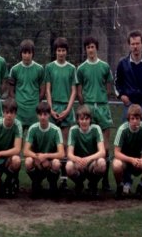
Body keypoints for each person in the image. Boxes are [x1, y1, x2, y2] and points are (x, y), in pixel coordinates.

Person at [114, 29, 142, 194]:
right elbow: (117, 83)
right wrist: (121, 95)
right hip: (129, 107)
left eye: (138, 43)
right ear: (129, 45)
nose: (135, 47)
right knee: (126, 145)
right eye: (132, 44)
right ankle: (127, 182)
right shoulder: (122, 63)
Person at [76, 36, 114, 191]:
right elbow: (79, 92)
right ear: (85, 49)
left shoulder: (105, 66)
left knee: (105, 146)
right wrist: (86, 105)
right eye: (88, 47)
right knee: (90, 144)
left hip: (103, 108)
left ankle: (105, 180)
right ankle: (88, 177)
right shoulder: (81, 68)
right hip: (89, 108)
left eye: (92, 47)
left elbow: (109, 87)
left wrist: (102, 98)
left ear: (96, 48)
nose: (90, 50)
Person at [112, 104, 142, 200]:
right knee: (116, 165)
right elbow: (116, 153)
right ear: (128, 118)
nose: (135, 121)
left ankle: (141, 187)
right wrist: (131, 160)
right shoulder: (122, 129)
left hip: (138, 158)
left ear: (141, 118)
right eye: (132, 118)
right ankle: (120, 187)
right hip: (125, 160)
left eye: (137, 118)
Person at [23, 102, 65, 198]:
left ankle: (53, 184)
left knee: (56, 163)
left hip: (50, 161)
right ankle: (36, 183)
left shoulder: (56, 130)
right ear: (37, 115)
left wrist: (46, 156)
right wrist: (38, 157)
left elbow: (62, 153)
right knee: (28, 161)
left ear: (49, 115)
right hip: (37, 160)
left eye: (45, 114)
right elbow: (25, 151)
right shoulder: (33, 128)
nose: (42, 117)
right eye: (40, 114)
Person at [0, 99, 24, 198]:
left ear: (15, 114)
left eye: (11, 113)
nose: (9, 115)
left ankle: (10, 180)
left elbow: (17, 149)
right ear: (3, 113)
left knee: (16, 160)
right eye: (7, 112)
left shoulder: (18, 125)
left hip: (8, 159)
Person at [65, 105, 106, 197]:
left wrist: (87, 159)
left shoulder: (96, 128)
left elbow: (102, 152)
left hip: (92, 162)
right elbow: (69, 154)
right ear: (78, 120)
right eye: (81, 119)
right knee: (69, 166)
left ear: (90, 119)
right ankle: (79, 183)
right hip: (79, 163)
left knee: (102, 163)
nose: (84, 121)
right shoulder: (73, 130)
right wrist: (77, 159)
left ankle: (93, 184)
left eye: (86, 119)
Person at [44, 36, 77, 144]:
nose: (61, 53)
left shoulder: (72, 68)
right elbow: (47, 90)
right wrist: (50, 109)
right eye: (59, 50)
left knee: (65, 142)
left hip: (66, 108)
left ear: (66, 51)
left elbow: (74, 91)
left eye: (63, 50)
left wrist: (67, 110)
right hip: (53, 107)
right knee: (52, 142)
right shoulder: (49, 67)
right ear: (55, 51)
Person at [8, 39, 45, 130]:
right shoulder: (14, 69)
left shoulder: (40, 69)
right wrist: (17, 103)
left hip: (34, 111)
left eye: (29, 53)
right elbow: (11, 92)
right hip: (19, 111)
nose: (27, 55)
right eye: (24, 53)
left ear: (33, 53)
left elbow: (42, 91)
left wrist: (36, 103)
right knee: (18, 137)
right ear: (21, 53)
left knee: (33, 137)